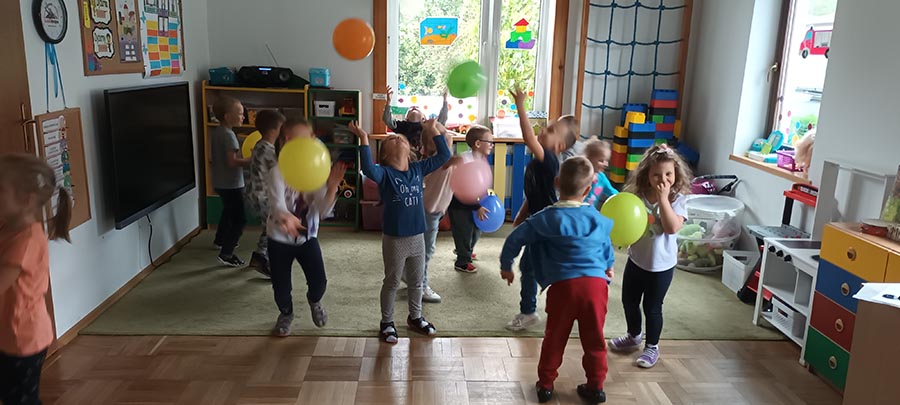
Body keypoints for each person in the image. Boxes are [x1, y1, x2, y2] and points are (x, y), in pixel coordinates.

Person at [500, 156, 615, 404]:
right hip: (596, 287)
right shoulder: (595, 217)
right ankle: (596, 387)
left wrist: (506, 265)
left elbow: (514, 238)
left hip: (564, 287)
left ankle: (545, 385)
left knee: (555, 337)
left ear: (556, 183)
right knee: (595, 339)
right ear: (588, 190)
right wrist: (609, 266)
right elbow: (605, 245)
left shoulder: (546, 217)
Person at [352, 118, 451, 344]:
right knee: (392, 282)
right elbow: (367, 168)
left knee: (417, 282)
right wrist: (364, 138)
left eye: (401, 139)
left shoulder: (418, 168)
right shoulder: (384, 174)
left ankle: (415, 317)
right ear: (385, 156)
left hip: (417, 236)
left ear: (409, 151)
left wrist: (433, 129)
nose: (397, 138)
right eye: (392, 140)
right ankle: (387, 322)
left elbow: (444, 156)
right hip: (395, 239)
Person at [607, 144, 692, 368]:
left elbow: (671, 227)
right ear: (647, 175)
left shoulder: (678, 200)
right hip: (636, 261)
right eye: (656, 175)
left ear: (676, 174)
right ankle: (634, 335)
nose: (663, 179)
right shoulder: (637, 196)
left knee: (652, 308)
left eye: (668, 174)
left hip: (661, 267)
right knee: (629, 301)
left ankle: (652, 346)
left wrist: (663, 199)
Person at [0, 154, 72, 405]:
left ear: (26, 200)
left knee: (21, 400)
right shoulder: (8, 228)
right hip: (8, 334)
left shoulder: (27, 240)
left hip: (24, 338)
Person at [266, 118, 349, 336]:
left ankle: (315, 301)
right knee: (281, 288)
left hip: (307, 237)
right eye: (306, 136)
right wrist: (286, 217)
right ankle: (286, 314)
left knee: (319, 282)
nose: (312, 140)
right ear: (288, 140)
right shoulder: (277, 172)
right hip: (279, 239)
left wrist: (332, 188)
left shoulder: (316, 168)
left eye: (313, 136)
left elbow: (322, 211)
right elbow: (276, 204)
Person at [505, 86, 577, 332]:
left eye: (550, 130)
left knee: (533, 267)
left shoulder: (550, 161)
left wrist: (520, 105)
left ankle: (531, 311)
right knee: (532, 267)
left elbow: (528, 138)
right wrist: (520, 217)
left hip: (547, 227)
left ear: (559, 146)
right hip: (539, 223)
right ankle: (533, 309)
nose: (543, 131)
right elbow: (535, 195)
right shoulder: (538, 164)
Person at [244, 109, 286, 277]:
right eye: (281, 128)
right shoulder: (268, 151)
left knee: (270, 225)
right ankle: (261, 256)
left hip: (255, 194)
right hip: (262, 196)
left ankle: (259, 256)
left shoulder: (259, 145)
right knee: (275, 226)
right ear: (272, 131)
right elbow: (281, 169)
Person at [419, 125, 458, 303]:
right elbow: (451, 160)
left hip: (431, 211)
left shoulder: (439, 159)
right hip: (430, 212)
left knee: (421, 248)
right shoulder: (442, 160)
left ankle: (409, 274)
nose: (449, 135)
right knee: (426, 250)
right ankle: (421, 286)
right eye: (443, 134)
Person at [211, 96, 251, 267]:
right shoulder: (229, 136)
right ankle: (226, 253)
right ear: (228, 117)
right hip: (232, 184)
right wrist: (251, 160)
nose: (243, 117)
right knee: (240, 219)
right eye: (240, 114)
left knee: (228, 212)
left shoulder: (217, 132)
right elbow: (232, 162)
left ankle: (220, 240)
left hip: (220, 182)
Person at [447, 125, 493, 274]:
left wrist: (487, 195)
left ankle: (465, 249)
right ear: (478, 143)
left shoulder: (481, 159)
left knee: (476, 230)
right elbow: (465, 188)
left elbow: (480, 181)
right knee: (464, 231)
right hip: (460, 204)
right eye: (489, 142)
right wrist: (477, 206)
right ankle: (462, 261)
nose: (492, 145)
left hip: (474, 202)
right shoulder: (466, 160)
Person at [382, 86, 448, 160]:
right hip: (407, 160)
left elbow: (442, 120)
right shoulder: (402, 126)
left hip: (424, 160)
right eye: (410, 109)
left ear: (423, 118)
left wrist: (445, 100)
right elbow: (387, 120)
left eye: (417, 108)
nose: (414, 107)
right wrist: (388, 102)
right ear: (406, 118)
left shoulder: (428, 126)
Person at [581, 138, 619, 208]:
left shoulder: (601, 178)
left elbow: (613, 193)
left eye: (607, 161)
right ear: (589, 158)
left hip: (590, 212)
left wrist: (622, 198)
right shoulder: (580, 174)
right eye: (601, 160)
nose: (606, 164)